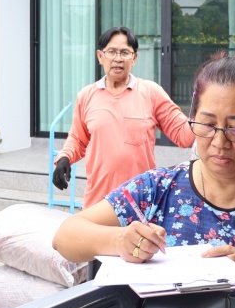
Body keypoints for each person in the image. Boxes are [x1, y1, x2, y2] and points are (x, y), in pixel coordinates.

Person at [53, 52, 235, 280]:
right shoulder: (157, 189)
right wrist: (119, 240)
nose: (219, 142)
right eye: (207, 124)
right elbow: (65, 236)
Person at [53, 26, 196, 207]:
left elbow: (183, 135)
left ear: (134, 58)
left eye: (125, 52)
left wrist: (202, 110)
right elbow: (77, 139)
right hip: (98, 200)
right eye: (111, 52)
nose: (118, 59)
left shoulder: (151, 92)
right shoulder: (86, 96)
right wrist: (64, 158)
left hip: (140, 201)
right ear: (100, 56)